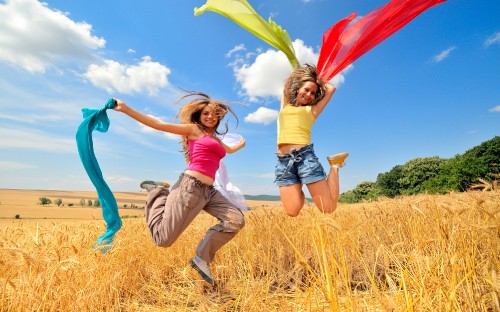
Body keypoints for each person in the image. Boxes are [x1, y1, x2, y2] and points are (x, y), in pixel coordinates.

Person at [113, 91, 246, 285]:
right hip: (190, 188)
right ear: (199, 116)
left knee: (235, 220)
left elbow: (230, 150)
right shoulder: (193, 130)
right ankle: (157, 192)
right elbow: (157, 125)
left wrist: (242, 144)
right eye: (206, 113)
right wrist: (125, 109)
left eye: (214, 114)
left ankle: (201, 259)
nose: (210, 117)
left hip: (209, 192)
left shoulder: (217, 141)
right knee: (163, 240)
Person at [275, 64, 349, 217]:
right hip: (284, 163)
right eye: (306, 89)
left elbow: (331, 89)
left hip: (305, 158)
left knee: (328, 208)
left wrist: (317, 78)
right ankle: (300, 182)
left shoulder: (312, 110)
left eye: (313, 93)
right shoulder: (285, 105)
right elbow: (287, 86)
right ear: (298, 89)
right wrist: (300, 74)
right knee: (292, 211)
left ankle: (335, 165)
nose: (309, 94)